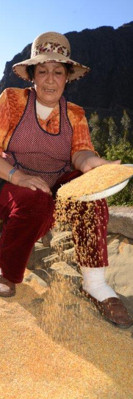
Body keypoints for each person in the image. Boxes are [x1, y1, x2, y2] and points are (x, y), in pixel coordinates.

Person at [0, 31, 132, 329]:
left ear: (67, 76)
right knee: (35, 200)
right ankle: (7, 272)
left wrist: (94, 164)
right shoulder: (11, 100)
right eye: (42, 71)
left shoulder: (75, 114)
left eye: (57, 72)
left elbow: (81, 153)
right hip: (10, 183)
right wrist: (18, 176)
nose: (50, 79)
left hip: (54, 193)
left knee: (91, 189)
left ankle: (95, 285)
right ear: (31, 75)